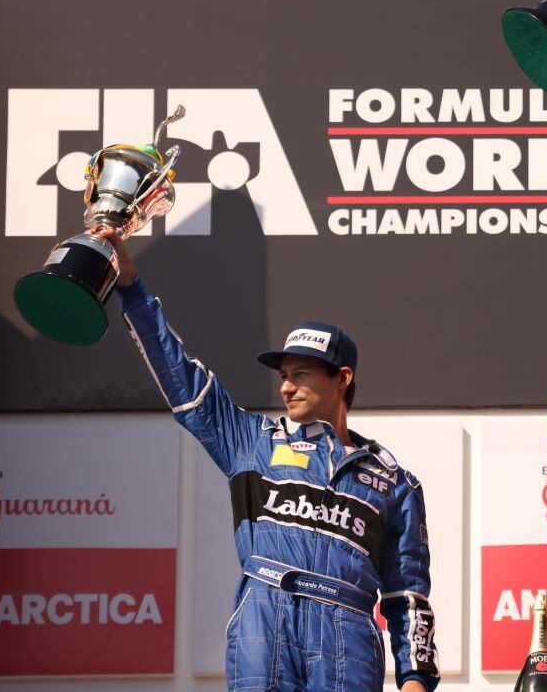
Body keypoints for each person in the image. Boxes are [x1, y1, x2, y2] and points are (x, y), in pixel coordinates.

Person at [98, 227, 439, 692]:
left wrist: (416, 679)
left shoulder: (395, 482)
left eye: (301, 374)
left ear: (342, 378)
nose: (286, 387)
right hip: (265, 617)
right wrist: (131, 287)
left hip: (350, 632)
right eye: (283, 375)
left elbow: (409, 595)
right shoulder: (251, 442)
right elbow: (178, 374)